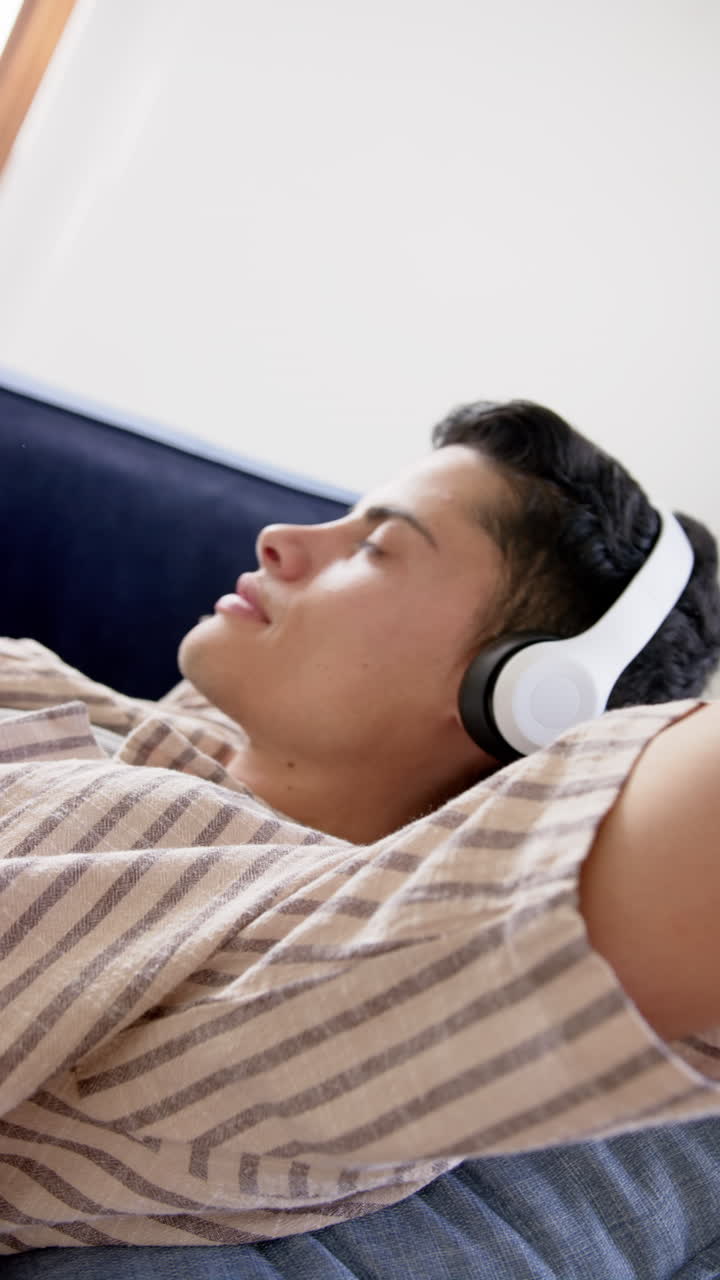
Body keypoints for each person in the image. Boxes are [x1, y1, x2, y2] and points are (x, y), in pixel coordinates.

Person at [1, 399, 720, 1269]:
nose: (278, 537)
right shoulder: (78, 702)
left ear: (531, 694)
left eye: (379, 547)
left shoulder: (283, 957)